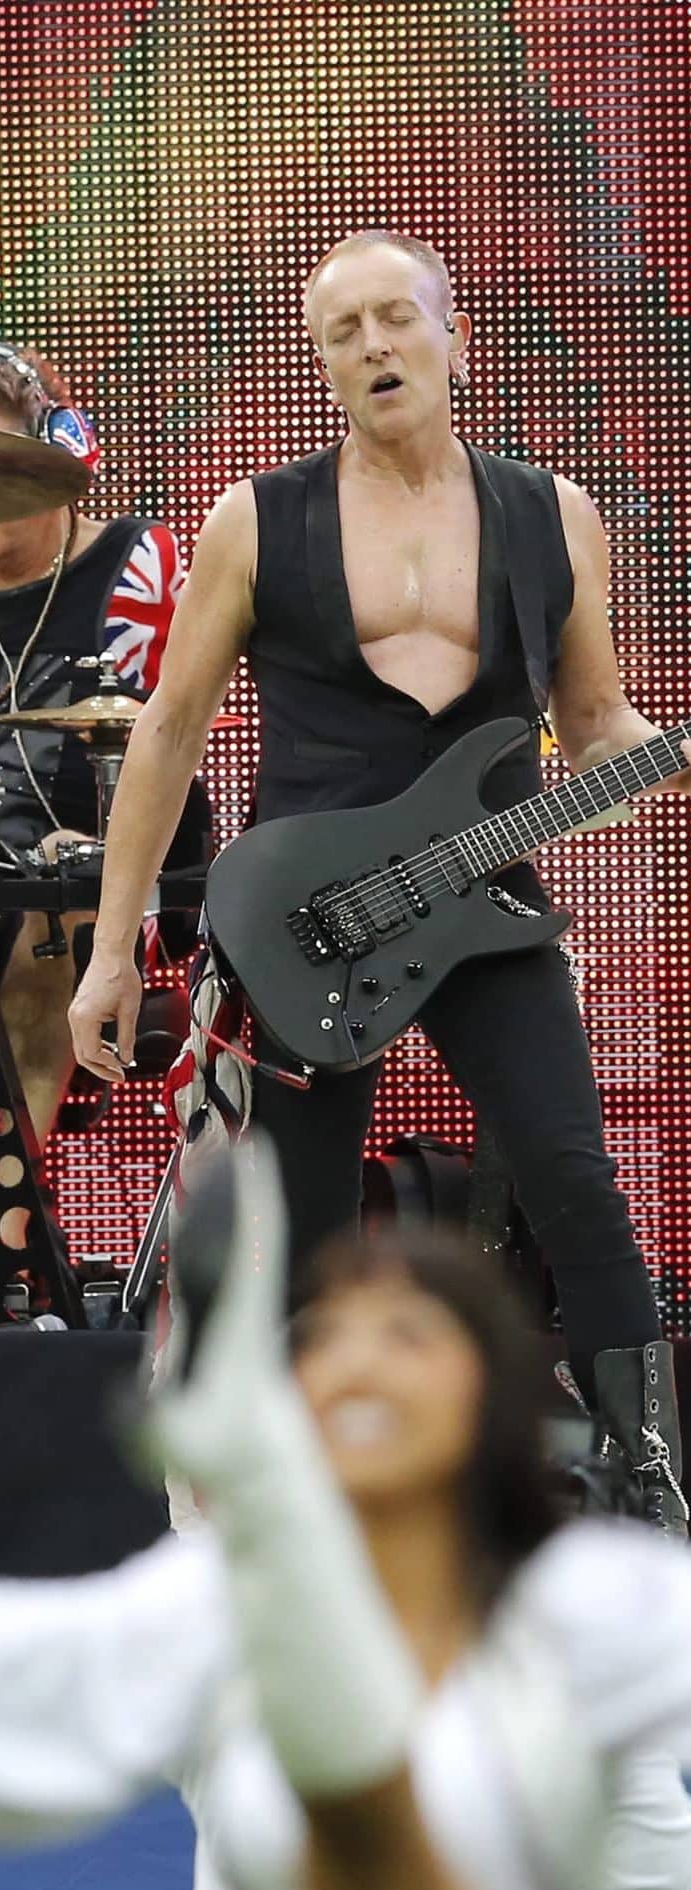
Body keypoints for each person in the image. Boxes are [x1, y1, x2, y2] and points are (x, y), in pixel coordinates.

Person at [67, 230, 686, 1528]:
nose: (371, 346)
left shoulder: (550, 515)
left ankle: (648, 1482)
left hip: (484, 906)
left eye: (394, 317)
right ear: (322, 365)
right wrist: (112, 951)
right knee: (297, 1226)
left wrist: (659, 755)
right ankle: (286, 1513)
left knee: (574, 1178)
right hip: (304, 921)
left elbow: (594, 719)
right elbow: (168, 730)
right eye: (340, 332)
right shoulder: (258, 519)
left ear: (450, 335)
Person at [0, 1139, 691, 1890]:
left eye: (407, 1335)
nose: (357, 1366)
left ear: (490, 1389)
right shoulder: (210, 1601)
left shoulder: (594, 1600)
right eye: (325, 1337)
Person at [0, 343, 212, 1140]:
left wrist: (94, 849)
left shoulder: (139, 560)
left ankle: (5, 1186)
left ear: (56, 453)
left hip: (114, 863)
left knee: (50, 906)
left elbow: (165, 742)